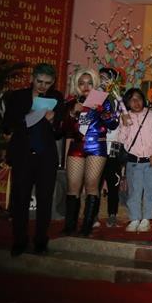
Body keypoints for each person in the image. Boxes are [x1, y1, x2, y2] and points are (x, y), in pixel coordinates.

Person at [3, 63, 65, 256]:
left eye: (47, 83)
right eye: (39, 81)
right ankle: (19, 241)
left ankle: (40, 241)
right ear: (32, 78)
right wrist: (28, 116)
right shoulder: (19, 96)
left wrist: (54, 120)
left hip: (46, 156)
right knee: (20, 198)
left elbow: (60, 131)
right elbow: (7, 123)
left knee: (45, 200)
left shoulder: (56, 98)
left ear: (53, 83)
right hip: (23, 154)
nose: (42, 86)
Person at [61, 68, 119, 236]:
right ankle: (69, 226)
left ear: (95, 84)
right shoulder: (71, 102)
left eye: (89, 83)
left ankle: (86, 227)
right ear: (76, 85)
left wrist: (101, 110)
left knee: (92, 185)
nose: (85, 86)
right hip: (77, 146)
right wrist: (73, 112)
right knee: (73, 186)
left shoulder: (104, 100)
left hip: (96, 146)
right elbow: (63, 129)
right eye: (81, 83)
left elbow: (113, 123)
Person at [118, 88, 152, 232]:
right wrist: (124, 123)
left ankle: (146, 219)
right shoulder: (125, 117)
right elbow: (121, 139)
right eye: (132, 100)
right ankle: (135, 218)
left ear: (144, 100)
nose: (136, 102)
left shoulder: (151, 115)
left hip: (151, 160)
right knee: (134, 192)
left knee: (151, 190)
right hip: (133, 162)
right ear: (127, 103)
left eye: (139, 98)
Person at [98, 67, 125, 228]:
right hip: (98, 143)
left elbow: (125, 120)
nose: (103, 81)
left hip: (114, 144)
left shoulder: (119, 99)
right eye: (100, 77)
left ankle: (112, 215)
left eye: (106, 78)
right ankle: (92, 216)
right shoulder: (94, 97)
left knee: (113, 180)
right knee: (95, 181)